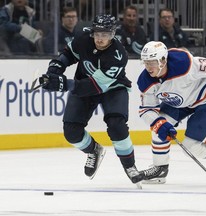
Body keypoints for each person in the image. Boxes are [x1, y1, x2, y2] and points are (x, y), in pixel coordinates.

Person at [38, 14, 144, 185]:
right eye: (97, 34)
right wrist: (55, 68)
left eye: (105, 35)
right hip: (84, 83)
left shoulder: (118, 56)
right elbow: (68, 54)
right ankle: (94, 150)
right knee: (71, 133)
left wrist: (63, 84)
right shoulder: (84, 38)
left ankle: (130, 166)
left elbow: (93, 86)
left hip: (113, 89)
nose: (100, 39)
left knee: (117, 126)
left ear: (113, 34)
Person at [137, 41, 206, 183]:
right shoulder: (145, 81)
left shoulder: (183, 63)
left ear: (163, 60)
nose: (148, 67)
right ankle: (160, 169)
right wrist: (158, 123)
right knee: (159, 125)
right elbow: (147, 110)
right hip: (179, 103)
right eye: (146, 62)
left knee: (191, 148)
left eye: (152, 62)